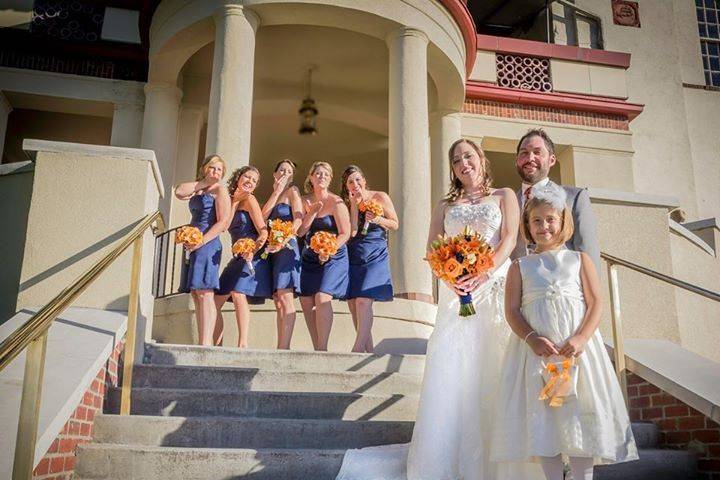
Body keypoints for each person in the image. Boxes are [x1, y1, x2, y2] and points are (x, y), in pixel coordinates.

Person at [336, 139, 542, 479]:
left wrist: (485, 273)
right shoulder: (446, 205)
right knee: (455, 370)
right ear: (453, 168)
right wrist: (450, 278)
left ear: (481, 160)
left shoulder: (504, 195)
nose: (464, 163)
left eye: (469, 156)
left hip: (493, 288)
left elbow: (508, 239)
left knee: (495, 365)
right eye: (457, 159)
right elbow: (432, 249)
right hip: (455, 292)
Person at [491, 182, 637, 479]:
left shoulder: (579, 260)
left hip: (577, 352)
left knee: (579, 422)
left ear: (562, 221)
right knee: (545, 422)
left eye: (550, 219)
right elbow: (512, 311)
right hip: (537, 355)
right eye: (536, 221)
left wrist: (582, 337)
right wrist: (531, 338)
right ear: (527, 227)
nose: (544, 226)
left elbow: (596, 302)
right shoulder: (520, 267)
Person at [511, 128, 600, 271]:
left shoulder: (574, 198)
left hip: (562, 284)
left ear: (551, 160)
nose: (530, 158)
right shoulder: (507, 203)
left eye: (537, 152)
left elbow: (588, 253)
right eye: (524, 153)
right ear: (517, 160)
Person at [174, 154, 230, 346]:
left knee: (205, 292)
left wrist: (201, 241)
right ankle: (202, 340)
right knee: (196, 293)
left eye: (219, 170)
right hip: (193, 242)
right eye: (212, 168)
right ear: (205, 168)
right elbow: (179, 191)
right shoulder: (198, 189)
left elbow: (223, 223)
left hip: (208, 243)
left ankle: (206, 343)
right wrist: (202, 183)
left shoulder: (220, 191)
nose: (216, 172)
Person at [214, 166, 272, 348]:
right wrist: (234, 202)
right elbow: (225, 225)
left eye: (254, 181)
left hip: (252, 255)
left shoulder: (250, 199)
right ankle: (217, 344)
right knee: (214, 302)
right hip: (237, 257)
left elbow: (263, 231)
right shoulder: (231, 199)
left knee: (239, 293)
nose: (250, 181)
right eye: (247, 177)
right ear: (239, 177)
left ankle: (243, 344)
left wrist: (253, 250)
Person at [341, 165, 398, 353]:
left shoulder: (380, 197)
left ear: (364, 181)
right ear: (346, 186)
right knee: (353, 304)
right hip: (355, 252)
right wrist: (354, 207)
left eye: (358, 179)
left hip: (375, 251)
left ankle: (356, 350)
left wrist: (377, 219)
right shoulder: (348, 202)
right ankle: (369, 351)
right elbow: (353, 232)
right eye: (350, 181)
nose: (355, 184)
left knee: (364, 301)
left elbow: (395, 223)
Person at [298, 162, 351, 351]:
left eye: (326, 175)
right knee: (305, 301)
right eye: (318, 174)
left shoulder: (337, 203)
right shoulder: (303, 200)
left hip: (334, 255)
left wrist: (328, 250)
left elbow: (345, 233)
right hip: (310, 257)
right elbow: (301, 231)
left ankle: (323, 348)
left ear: (330, 179)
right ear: (310, 177)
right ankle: (316, 347)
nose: (322, 177)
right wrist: (311, 213)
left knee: (322, 297)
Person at [261, 159, 303, 349]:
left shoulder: (293, 192)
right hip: (272, 250)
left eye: (289, 171)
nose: (285, 173)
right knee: (278, 300)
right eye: (282, 170)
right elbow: (262, 217)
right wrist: (276, 191)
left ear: (292, 176)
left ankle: (284, 348)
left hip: (286, 248)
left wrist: (284, 239)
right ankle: (280, 345)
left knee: (286, 296)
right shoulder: (275, 194)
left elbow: (298, 220)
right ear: (275, 174)